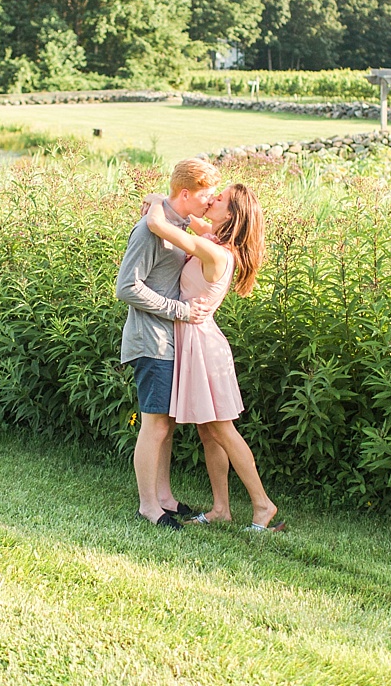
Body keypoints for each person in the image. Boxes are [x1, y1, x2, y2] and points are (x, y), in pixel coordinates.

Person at [145, 183, 281, 531]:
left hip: (203, 346)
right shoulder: (216, 244)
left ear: (231, 215)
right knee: (209, 431)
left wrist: (161, 199)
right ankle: (222, 508)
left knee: (222, 429)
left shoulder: (217, 252)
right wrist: (197, 222)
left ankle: (263, 506)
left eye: (218, 200)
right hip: (194, 341)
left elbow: (160, 226)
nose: (211, 200)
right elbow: (195, 225)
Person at [115, 158, 219, 529]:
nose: (211, 201)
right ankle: (148, 506)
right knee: (155, 425)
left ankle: (165, 497)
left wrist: (156, 196)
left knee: (167, 424)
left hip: (171, 340)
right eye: (207, 195)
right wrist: (179, 310)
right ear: (187, 193)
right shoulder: (150, 230)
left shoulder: (177, 223)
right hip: (151, 341)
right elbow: (126, 287)